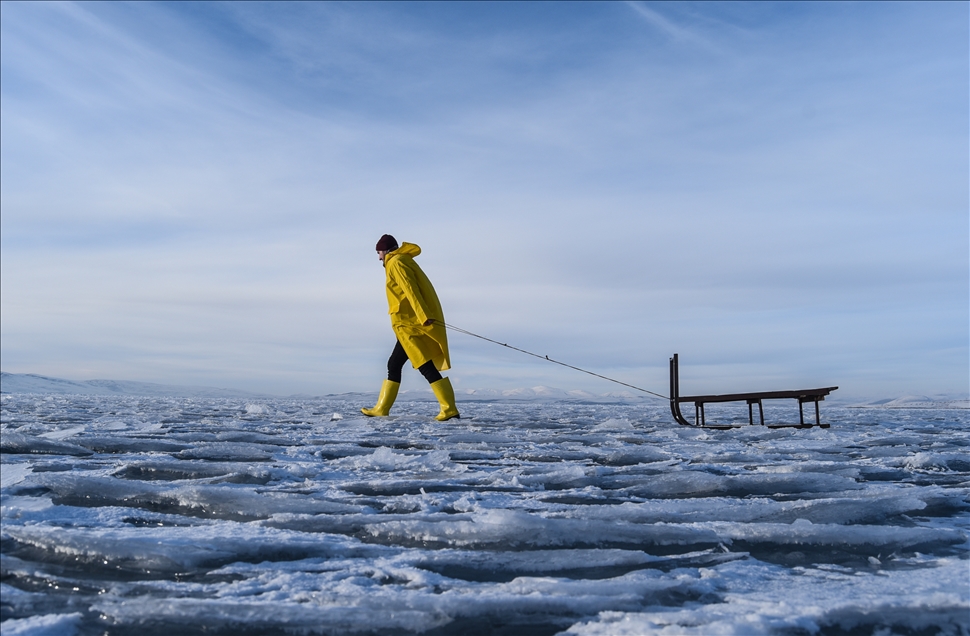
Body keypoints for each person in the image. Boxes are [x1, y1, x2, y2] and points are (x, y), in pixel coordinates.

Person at [361, 234, 460, 421]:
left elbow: (411, 289)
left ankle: (449, 409)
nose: (378, 257)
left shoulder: (396, 262)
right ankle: (382, 408)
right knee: (394, 364)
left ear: (386, 250)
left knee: (424, 365)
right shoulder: (398, 261)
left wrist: (423, 316)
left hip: (410, 325)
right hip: (405, 325)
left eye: (379, 252)